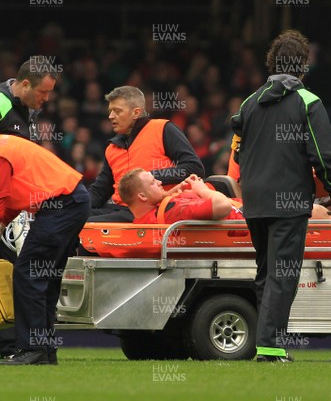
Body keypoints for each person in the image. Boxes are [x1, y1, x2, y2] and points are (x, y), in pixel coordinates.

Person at [231, 30, 331, 362]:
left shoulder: (249, 103)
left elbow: (237, 155)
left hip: (254, 201)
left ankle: (266, 343)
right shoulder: (309, 102)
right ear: (303, 67)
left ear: (272, 63)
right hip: (289, 202)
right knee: (284, 275)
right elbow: (323, 157)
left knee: (267, 273)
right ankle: (269, 347)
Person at [0, 135, 90, 365]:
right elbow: (8, 202)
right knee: (44, 279)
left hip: (61, 204)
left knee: (27, 274)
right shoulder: (6, 146)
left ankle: (33, 348)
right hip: (73, 201)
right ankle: (45, 350)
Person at [0, 57, 58, 357]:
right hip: (4, 206)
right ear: (24, 84)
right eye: (43, 92)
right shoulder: (1, 103)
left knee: (13, 271)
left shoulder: (23, 111)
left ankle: (14, 344)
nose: (46, 99)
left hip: (10, 207)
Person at [118, 168, 331, 225]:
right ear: (142, 195)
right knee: (317, 213)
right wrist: (197, 189)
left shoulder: (163, 206)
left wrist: (180, 189)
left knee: (316, 209)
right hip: (254, 223)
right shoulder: (171, 211)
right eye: (152, 181)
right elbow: (222, 207)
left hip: (251, 215)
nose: (160, 180)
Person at [87, 86, 205, 222]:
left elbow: (194, 168)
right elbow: (100, 191)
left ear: (136, 113)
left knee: (89, 222)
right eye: (110, 111)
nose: (111, 116)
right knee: (74, 217)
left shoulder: (163, 129)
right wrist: (77, 208)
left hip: (152, 209)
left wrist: (148, 178)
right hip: (119, 209)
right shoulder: (112, 148)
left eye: (117, 111)